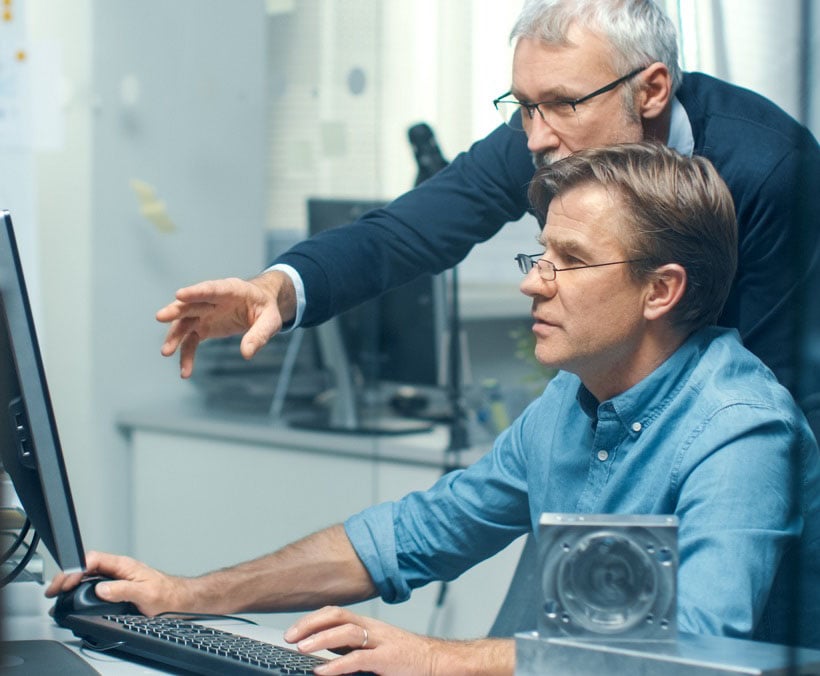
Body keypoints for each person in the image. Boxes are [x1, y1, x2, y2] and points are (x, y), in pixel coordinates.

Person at [48, 143, 820, 675]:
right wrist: (188, 596)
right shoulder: (572, 399)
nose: (532, 281)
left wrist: (437, 658)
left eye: (571, 262)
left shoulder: (742, 431)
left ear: (662, 289)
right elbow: (412, 536)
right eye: (540, 254)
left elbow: (693, 654)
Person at [156, 0, 820, 402]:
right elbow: (402, 233)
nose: (536, 137)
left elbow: (775, 388)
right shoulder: (540, 139)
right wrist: (279, 290)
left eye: (562, 103)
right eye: (524, 105)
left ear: (650, 91)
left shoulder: (771, 168)